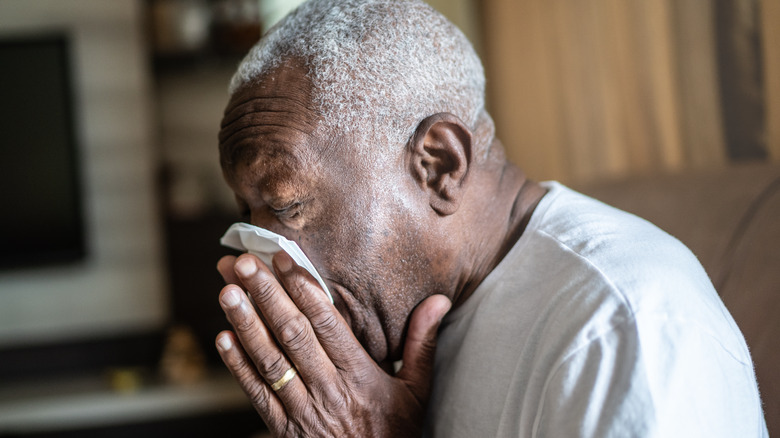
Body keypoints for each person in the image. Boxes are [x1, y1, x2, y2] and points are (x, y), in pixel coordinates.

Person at [213, 0, 769, 436]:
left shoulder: (623, 327)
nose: (258, 257)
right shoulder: (400, 329)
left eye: (286, 206)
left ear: (439, 165)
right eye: (248, 216)